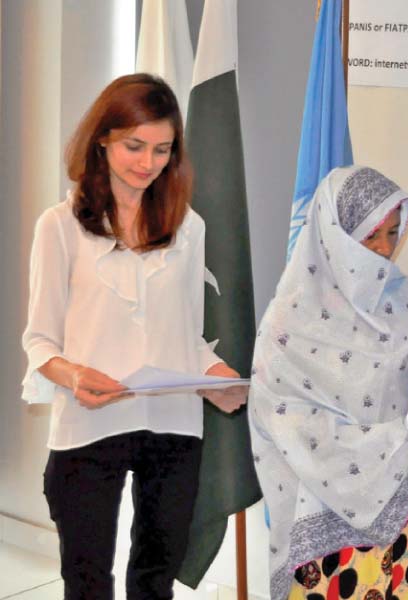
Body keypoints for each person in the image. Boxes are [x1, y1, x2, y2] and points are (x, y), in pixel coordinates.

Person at [21, 73, 241, 600]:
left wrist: (215, 375)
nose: (148, 163)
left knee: (155, 581)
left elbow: (188, 335)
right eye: (134, 146)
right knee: (88, 579)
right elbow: (39, 342)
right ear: (103, 139)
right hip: (89, 424)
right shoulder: (59, 226)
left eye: (162, 150)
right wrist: (75, 375)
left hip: (173, 423)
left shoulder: (189, 227)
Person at [248, 166, 408, 600]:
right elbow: (285, 422)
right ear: (334, 237)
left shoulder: (399, 295)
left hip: (406, 506)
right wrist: (389, 444)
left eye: (393, 233)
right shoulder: (289, 322)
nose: (383, 249)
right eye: (369, 236)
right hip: (326, 525)